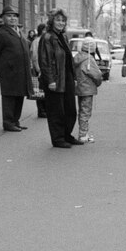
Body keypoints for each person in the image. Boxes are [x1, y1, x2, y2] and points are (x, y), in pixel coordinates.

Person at [38, 8, 82, 148]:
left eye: (63, 20)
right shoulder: (47, 37)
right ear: (52, 21)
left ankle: (67, 135)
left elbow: (69, 59)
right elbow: (44, 61)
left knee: (70, 110)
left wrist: (73, 77)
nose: (61, 23)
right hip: (55, 79)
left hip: (66, 77)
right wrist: (50, 80)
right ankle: (58, 139)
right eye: (58, 20)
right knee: (57, 111)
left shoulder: (63, 37)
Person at [0, 6, 31, 132]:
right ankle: (8, 122)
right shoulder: (0, 33)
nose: (13, 18)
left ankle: (15, 121)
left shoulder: (19, 32)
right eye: (9, 16)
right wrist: (1, 66)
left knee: (19, 96)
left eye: (15, 16)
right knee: (9, 97)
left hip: (22, 71)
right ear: (3, 18)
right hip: (9, 72)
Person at [73, 37, 103, 143]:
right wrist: (98, 82)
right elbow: (97, 74)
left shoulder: (77, 57)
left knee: (81, 110)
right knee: (86, 111)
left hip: (79, 88)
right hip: (88, 88)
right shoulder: (89, 59)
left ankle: (83, 133)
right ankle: (83, 134)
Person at [29, 22, 47, 118]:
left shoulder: (44, 40)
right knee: (40, 91)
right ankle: (41, 110)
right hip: (40, 69)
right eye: (45, 29)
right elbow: (35, 56)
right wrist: (39, 69)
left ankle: (44, 110)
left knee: (44, 90)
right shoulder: (37, 41)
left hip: (44, 69)